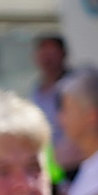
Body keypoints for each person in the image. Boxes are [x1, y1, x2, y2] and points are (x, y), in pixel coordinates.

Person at [29, 34, 71, 163]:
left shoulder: (72, 87)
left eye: (52, 53)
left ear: (63, 54)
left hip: (69, 161)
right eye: (43, 53)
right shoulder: (36, 89)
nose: (47, 59)